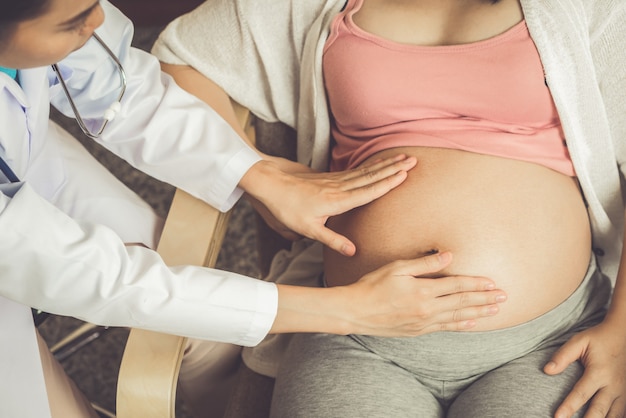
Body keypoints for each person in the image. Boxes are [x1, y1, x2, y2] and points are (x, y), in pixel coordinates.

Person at [0, 1, 513, 417]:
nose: (98, 23)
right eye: (72, 22)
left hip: (26, 154)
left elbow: (123, 89)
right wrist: (349, 312)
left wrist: (257, 173)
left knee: (184, 292)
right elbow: (104, 281)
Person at [152, 0, 626, 416]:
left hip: (546, 341)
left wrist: (623, 330)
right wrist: (257, 178)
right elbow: (180, 60)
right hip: (354, 333)